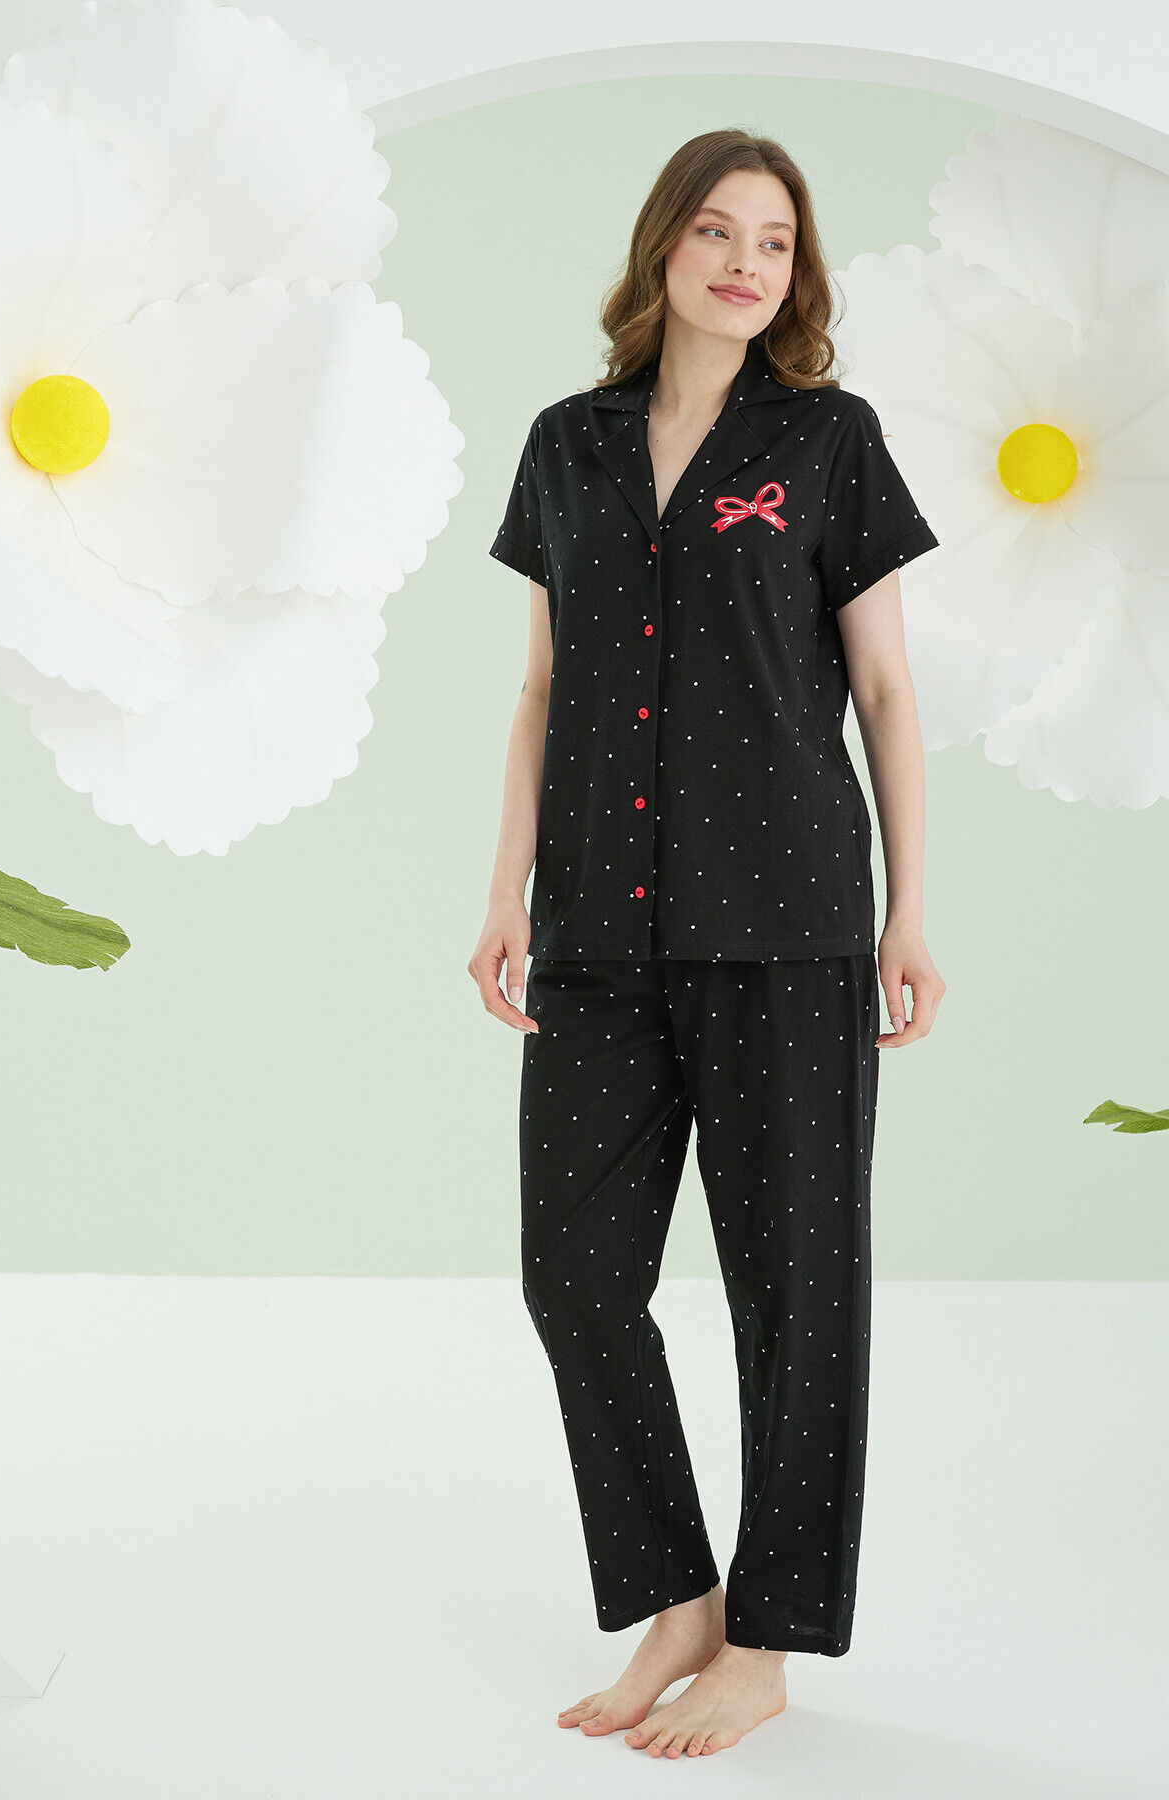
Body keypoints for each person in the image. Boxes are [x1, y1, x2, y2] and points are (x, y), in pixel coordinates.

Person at [469, 127, 947, 1760]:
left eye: (775, 240)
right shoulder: (568, 445)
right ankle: (679, 1595)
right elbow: (542, 689)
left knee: (796, 1293)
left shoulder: (828, 441)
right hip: (597, 923)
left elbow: (886, 689)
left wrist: (910, 909)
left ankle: (770, 1639)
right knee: (573, 1274)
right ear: (664, 244)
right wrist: (505, 889)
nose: (746, 262)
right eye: (717, 231)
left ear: (795, 272)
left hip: (789, 920)